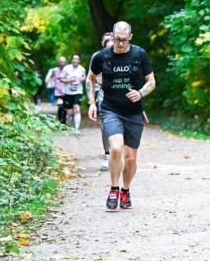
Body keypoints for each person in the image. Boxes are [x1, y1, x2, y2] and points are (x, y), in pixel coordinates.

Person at [88, 21, 156, 211]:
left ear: (130, 37)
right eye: (117, 39)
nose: (120, 43)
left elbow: (151, 81)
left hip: (133, 111)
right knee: (116, 148)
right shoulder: (102, 57)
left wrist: (141, 93)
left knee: (131, 158)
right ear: (112, 36)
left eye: (124, 40)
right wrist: (93, 103)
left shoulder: (139, 54)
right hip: (111, 109)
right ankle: (114, 188)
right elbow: (91, 78)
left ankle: (126, 190)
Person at [87, 32, 114, 171]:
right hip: (102, 93)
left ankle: (118, 151)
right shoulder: (97, 57)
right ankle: (107, 154)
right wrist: (92, 102)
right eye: (107, 42)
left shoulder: (126, 56)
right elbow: (90, 79)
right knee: (105, 125)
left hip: (120, 93)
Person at [59, 54, 86, 132]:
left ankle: (77, 129)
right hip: (68, 92)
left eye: (77, 59)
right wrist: (70, 80)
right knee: (69, 112)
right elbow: (61, 79)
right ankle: (69, 126)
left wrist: (82, 79)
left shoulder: (82, 69)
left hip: (78, 92)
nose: (75, 60)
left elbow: (84, 77)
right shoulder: (66, 68)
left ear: (79, 61)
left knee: (77, 109)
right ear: (71, 60)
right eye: (74, 59)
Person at [47, 56, 67, 125]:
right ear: (59, 63)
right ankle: (60, 121)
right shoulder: (55, 70)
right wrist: (52, 74)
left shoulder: (67, 69)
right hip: (58, 92)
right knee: (60, 106)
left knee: (65, 108)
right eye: (61, 62)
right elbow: (50, 78)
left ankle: (63, 122)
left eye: (64, 62)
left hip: (66, 92)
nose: (63, 63)